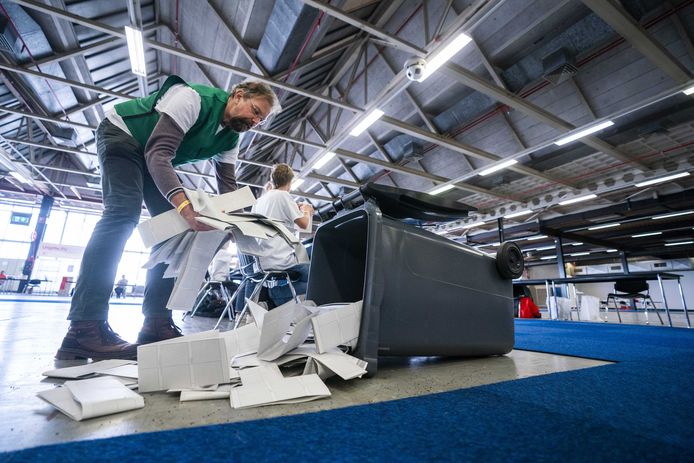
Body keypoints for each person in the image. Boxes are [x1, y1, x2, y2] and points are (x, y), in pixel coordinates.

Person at [56, 76, 281, 361]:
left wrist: (238, 225)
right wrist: (185, 205)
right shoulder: (194, 99)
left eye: (260, 120)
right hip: (123, 135)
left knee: (171, 232)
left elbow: (228, 189)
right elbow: (158, 152)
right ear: (237, 95)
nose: (255, 121)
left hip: (153, 157)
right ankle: (84, 328)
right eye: (255, 111)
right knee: (122, 215)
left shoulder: (231, 138)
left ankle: (155, 323)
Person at [246, 163, 313, 306]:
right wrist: (306, 210)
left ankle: (276, 298)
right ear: (290, 182)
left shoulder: (259, 201)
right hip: (278, 259)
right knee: (313, 276)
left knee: (306, 273)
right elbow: (304, 224)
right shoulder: (284, 196)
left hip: (261, 259)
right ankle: (276, 294)